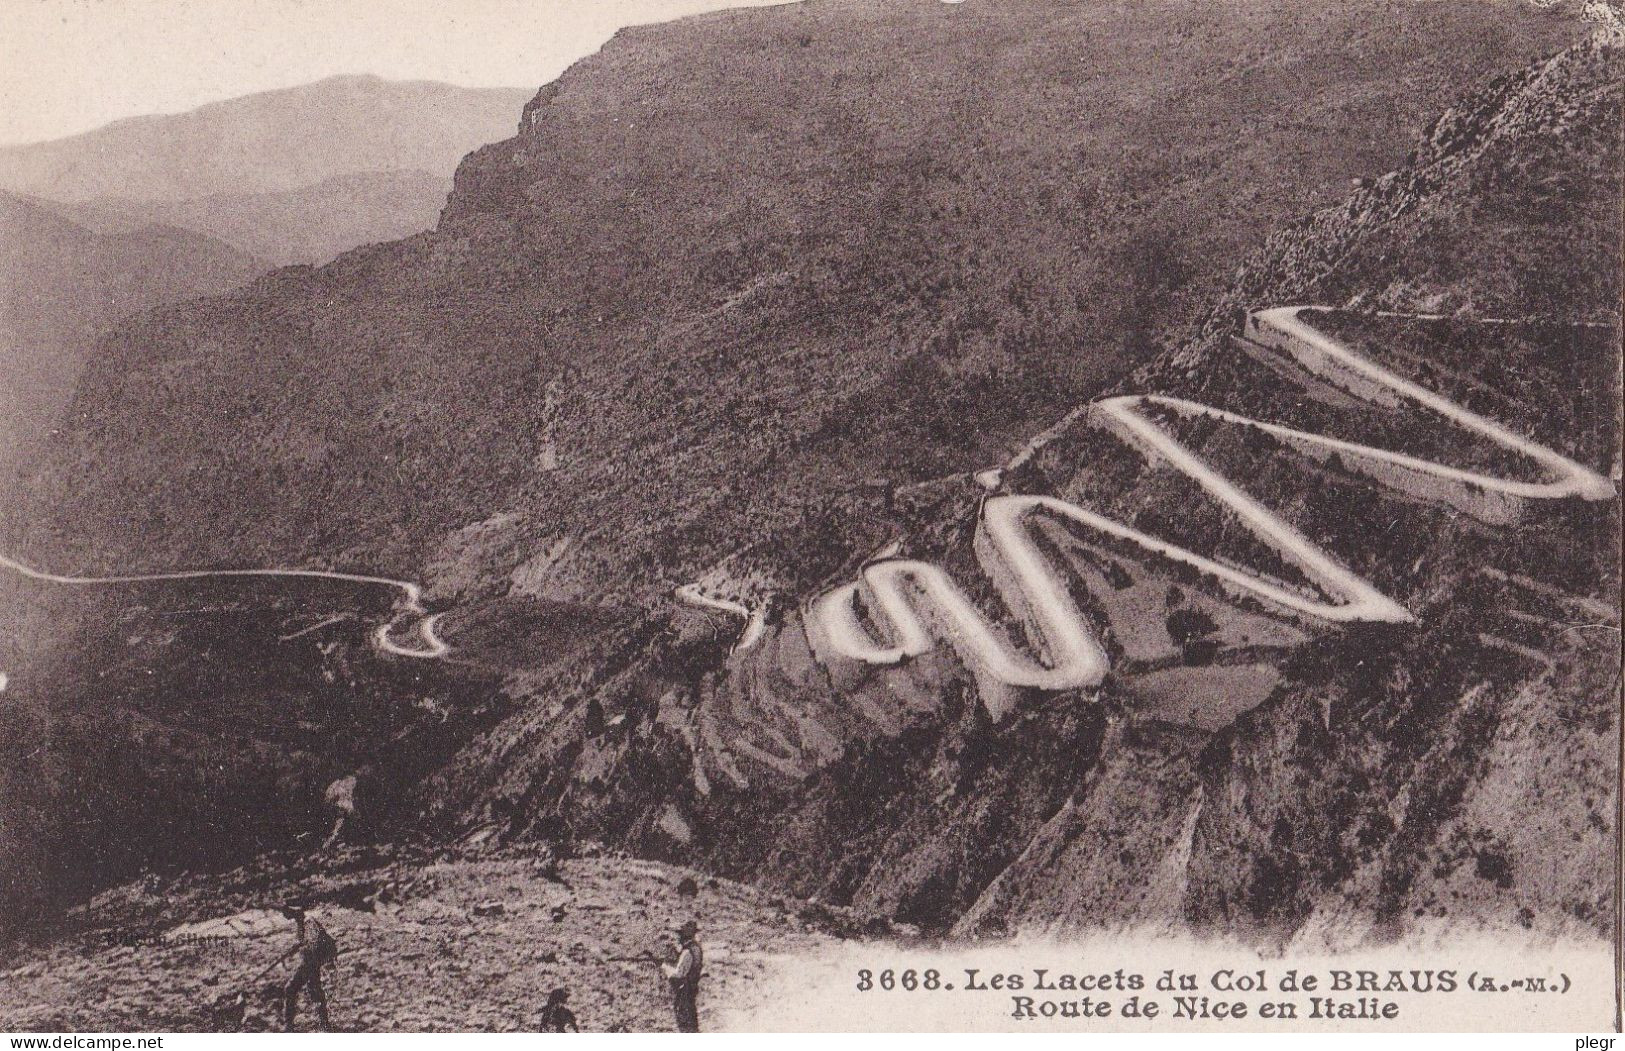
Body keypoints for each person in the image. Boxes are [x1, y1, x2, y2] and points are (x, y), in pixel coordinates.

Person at [274, 903, 338, 1031]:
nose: (287, 917)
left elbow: (314, 944)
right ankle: (324, 1024)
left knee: (291, 989)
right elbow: (304, 943)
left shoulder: (308, 922)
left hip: (311, 962)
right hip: (310, 962)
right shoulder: (301, 922)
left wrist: (308, 959)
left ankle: (289, 1026)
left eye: (288, 914)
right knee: (314, 991)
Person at [661, 920, 704, 1033]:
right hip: (691, 990)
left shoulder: (687, 951)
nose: (679, 938)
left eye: (680, 935)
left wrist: (664, 965)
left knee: (685, 1024)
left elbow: (678, 973)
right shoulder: (696, 948)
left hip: (684, 991)